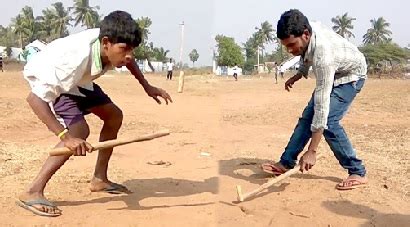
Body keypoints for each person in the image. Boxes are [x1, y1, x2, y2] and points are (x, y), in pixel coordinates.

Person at [17, 11, 172, 217]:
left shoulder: (113, 45)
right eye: (124, 49)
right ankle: (32, 191)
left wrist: (147, 86)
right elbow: (34, 99)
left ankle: (100, 179)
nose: (129, 56)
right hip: (55, 79)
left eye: (132, 50)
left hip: (80, 81)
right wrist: (66, 138)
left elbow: (128, 58)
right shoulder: (72, 61)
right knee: (79, 131)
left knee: (114, 116)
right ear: (106, 43)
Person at [262, 9, 368, 190]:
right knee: (306, 120)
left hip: (351, 75)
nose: (290, 50)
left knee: (329, 121)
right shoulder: (307, 32)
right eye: (286, 46)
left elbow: (322, 106)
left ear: (305, 34)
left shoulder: (323, 56)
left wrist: (311, 152)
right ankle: (286, 162)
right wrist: (299, 74)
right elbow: (305, 54)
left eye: (292, 45)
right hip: (336, 71)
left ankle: (357, 171)